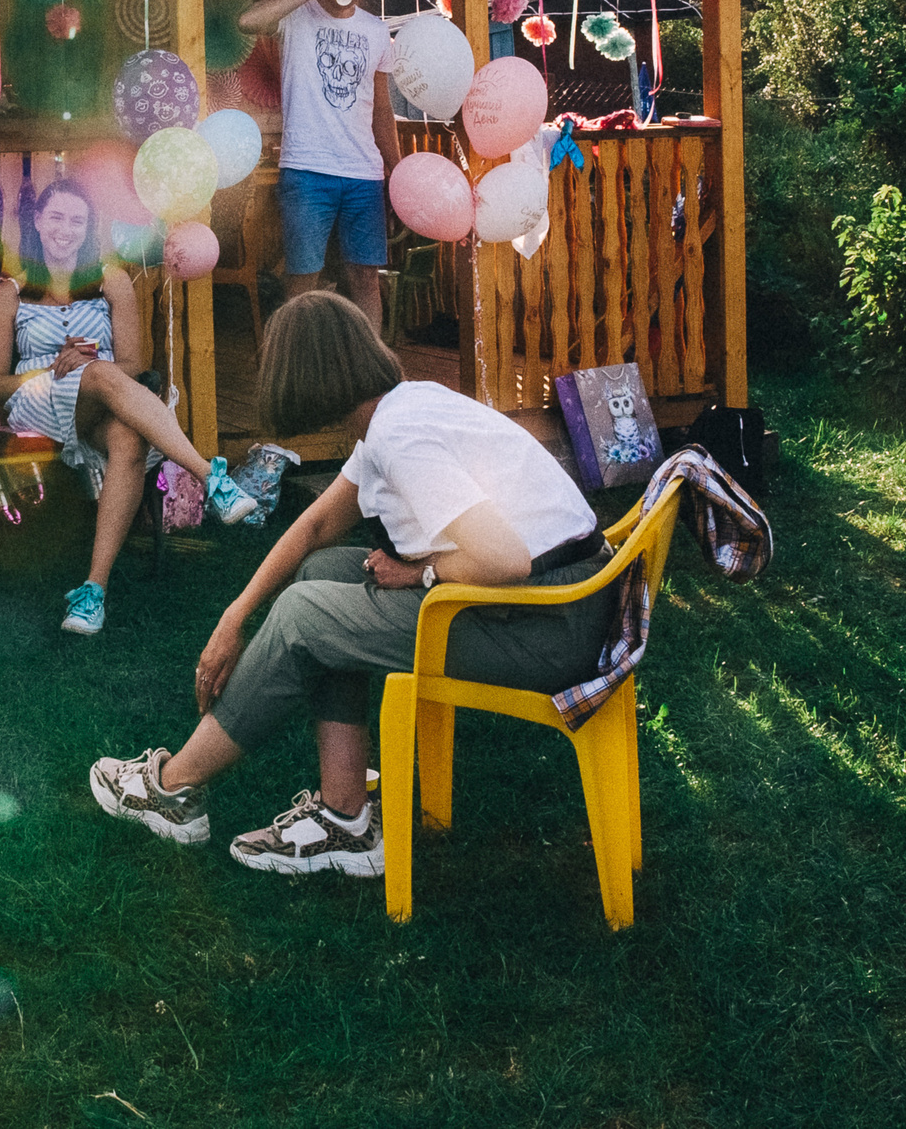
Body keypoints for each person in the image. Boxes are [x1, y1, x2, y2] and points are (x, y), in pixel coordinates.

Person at [86, 291, 613, 877]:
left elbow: (506, 558)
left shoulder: (400, 436)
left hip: (549, 625)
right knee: (323, 573)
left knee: (306, 615)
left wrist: (420, 572)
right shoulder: (397, 413)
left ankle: (172, 790)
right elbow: (314, 527)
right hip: (553, 602)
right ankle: (345, 820)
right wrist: (233, 618)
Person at [0, 179, 254, 635]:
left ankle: (93, 591)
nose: (65, 229)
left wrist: (90, 369)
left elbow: (132, 364)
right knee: (97, 371)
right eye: (56, 217)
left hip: (102, 401)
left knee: (127, 437)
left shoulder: (111, 281)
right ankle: (211, 477)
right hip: (35, 401)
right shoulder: (12, 291)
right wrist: (53, 370)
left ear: (88, 228)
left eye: (77, 220)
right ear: (38, 222)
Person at [237, 0, 401, 333]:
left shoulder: (376, 31)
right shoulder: (296, 18)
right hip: (307, 169)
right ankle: (296, 377)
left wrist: (396, 169)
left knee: (365, 278)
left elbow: (381, 109)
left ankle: (371, 372)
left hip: (364, 172)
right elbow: (247, 21)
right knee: (302, 280)